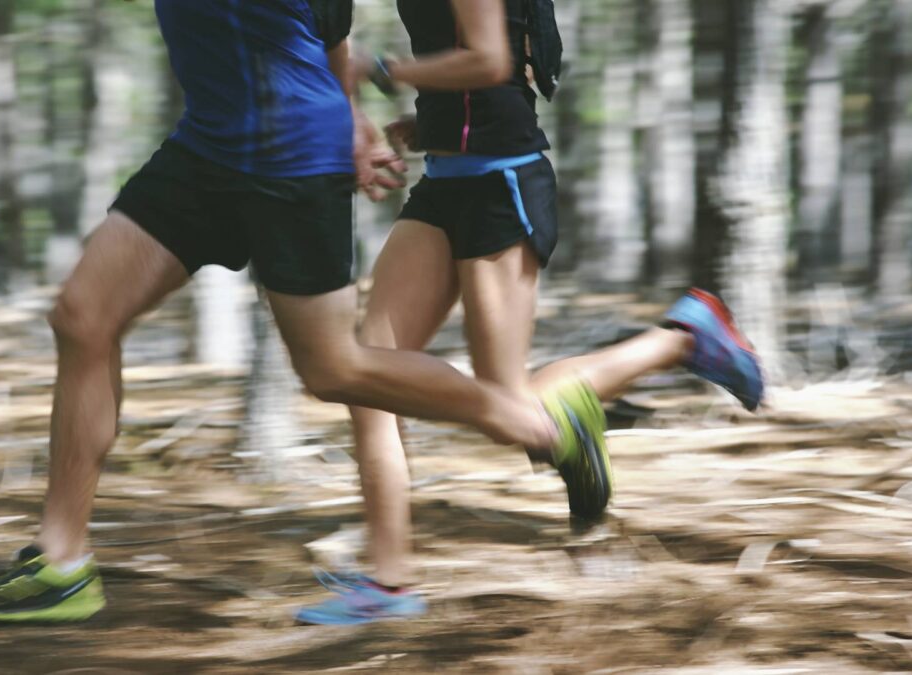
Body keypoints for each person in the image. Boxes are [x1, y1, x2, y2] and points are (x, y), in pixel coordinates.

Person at [0, 0, 609, 624]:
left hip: (289, 151)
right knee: (81, 316)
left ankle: (544, 428)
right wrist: (358, 121)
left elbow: (332, 33)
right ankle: (63, 563)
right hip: (206, 144)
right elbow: (330, 32)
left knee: (334, 368)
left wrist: (346, 120)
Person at [292, 0, 764, 625]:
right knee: (367, 378)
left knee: (505, 409)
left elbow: (490, 59)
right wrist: (427, 120)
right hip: (447, 180)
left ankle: (684, 337)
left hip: (502, 183)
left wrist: (379, 68)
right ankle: (389, 580)